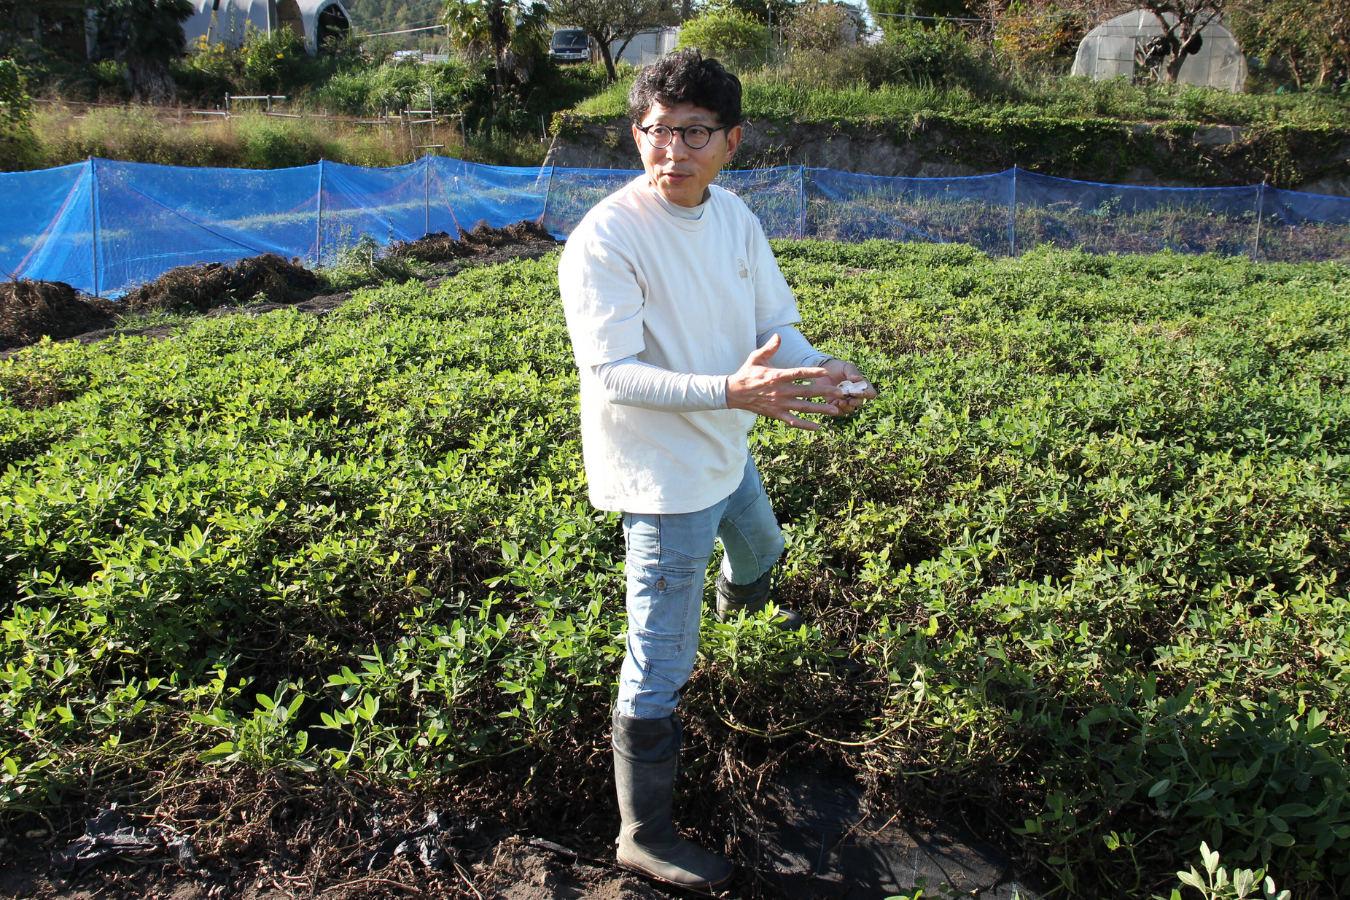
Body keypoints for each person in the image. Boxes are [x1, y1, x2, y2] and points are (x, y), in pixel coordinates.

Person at [557, 49, 875, 891]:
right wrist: (731, 390)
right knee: (659, 661)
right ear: (637, 136)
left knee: (763, 553)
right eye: (658, 132)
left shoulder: (734, 219)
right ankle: (645, 833)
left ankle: (743, 636)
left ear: (731, 141)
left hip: (726, 447)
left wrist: (824, 371)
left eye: (694, 133)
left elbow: (776, 322)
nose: (673, 151)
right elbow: (612, 371)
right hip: (663, 480)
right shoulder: (607, 238)